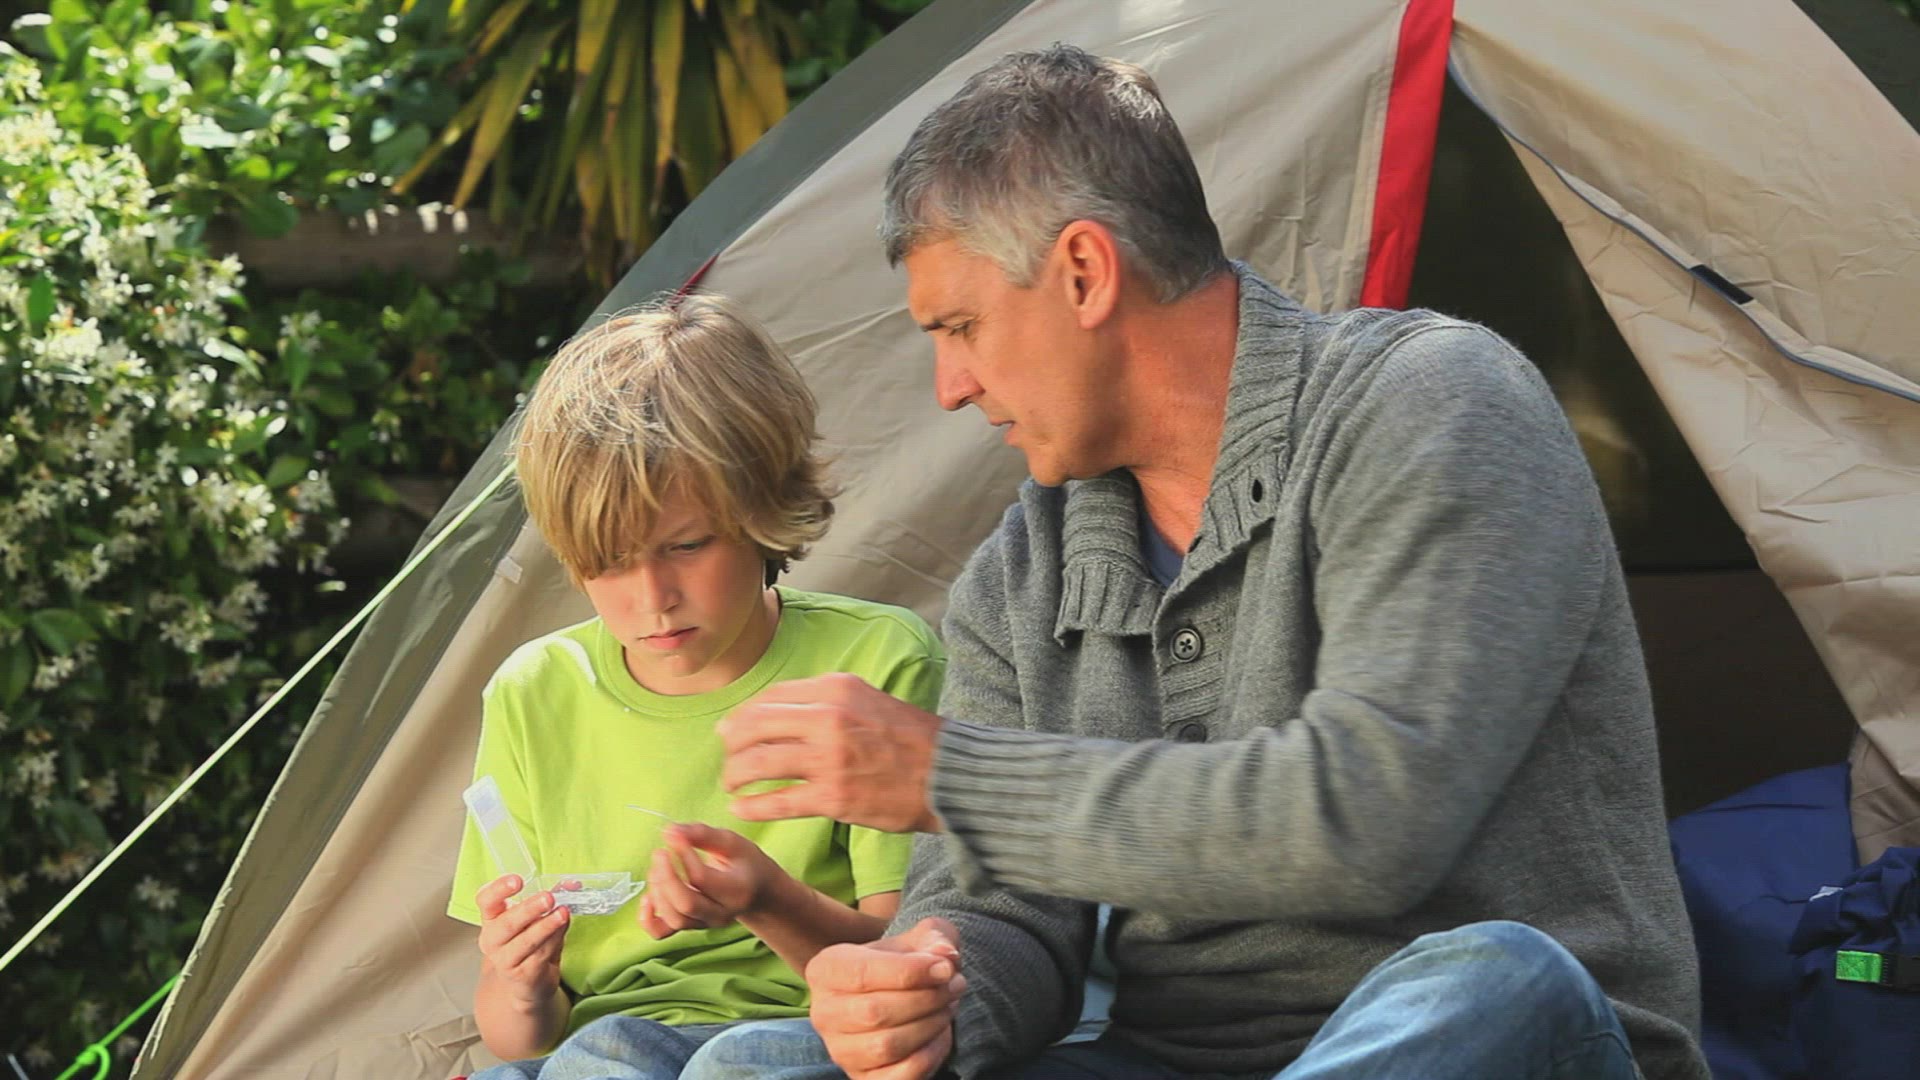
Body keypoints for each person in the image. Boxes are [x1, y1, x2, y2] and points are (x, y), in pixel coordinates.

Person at [697, 44, 1712, 1080]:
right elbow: (1000, 916)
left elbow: (1369, 823)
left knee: (1495, 976)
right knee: (750, 1065)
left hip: (1500, 1041)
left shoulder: (1437, 403)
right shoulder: (1020, 572)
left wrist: (951, 774)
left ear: (1085, 273)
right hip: (1173, 1060)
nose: (949, 386)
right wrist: (929, 990)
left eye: (961, 326)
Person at [446, 295, 946, 1079]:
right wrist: (520, 981)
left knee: (729, 1061)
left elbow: (911, 974)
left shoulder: (877, 663)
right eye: (610, 562)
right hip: (600, 1051)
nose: (653, 599)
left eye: (686, 546)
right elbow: (520, 1036)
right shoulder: (534, 692)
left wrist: (766, 899)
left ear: (760, 511)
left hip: (814, 1035)